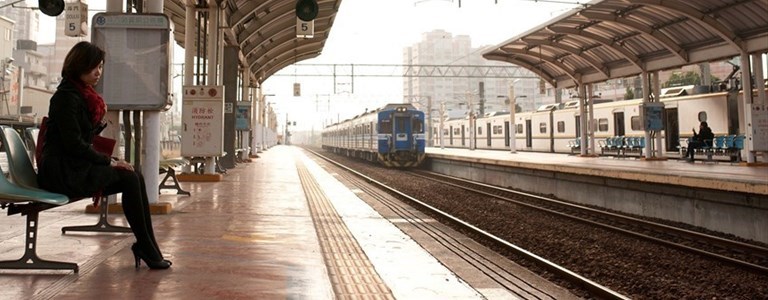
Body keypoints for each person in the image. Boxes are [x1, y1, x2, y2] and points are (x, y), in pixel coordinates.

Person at [37, 41, 171, 269]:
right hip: (62, 172)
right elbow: (74, 145)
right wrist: (109, 161)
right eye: (93, 67)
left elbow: (79, 140)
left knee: (135, 176)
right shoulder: (66, 98)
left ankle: (148, 246)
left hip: (73, 166)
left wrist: (99, 131)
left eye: (100, 67)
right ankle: (147, 247)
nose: (98, 72)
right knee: (129, 179)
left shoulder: (81, 95)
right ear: (79, 66)